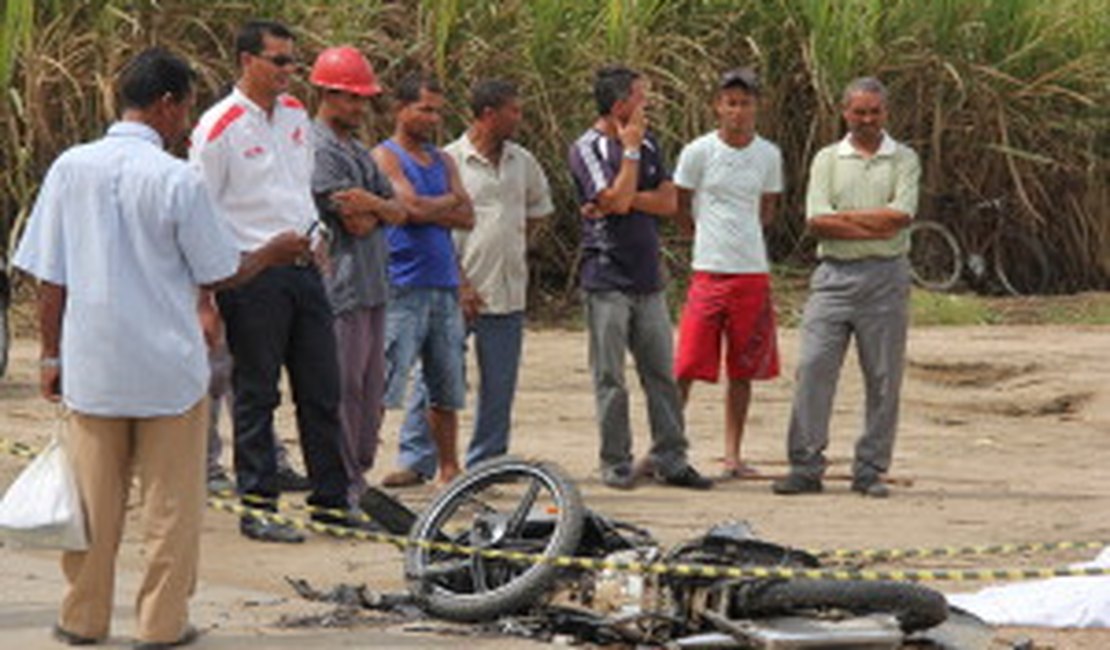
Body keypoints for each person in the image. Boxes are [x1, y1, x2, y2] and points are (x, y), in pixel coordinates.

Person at [13, 47, 309, 649]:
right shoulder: (177, 179)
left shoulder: (72, 167)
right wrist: (273, 254)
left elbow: (50, 274)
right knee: (171, 512)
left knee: (93, 507)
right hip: (167, 371)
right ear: (168, 104)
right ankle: (161, 624)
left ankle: (83, 617)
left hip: (93, 367)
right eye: (186, 108)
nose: (186, 122)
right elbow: (220, 269)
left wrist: (50, 355)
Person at [189, 20, 351, 542]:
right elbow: (200, 213)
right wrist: (208, 296)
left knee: (323, 389)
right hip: (254, 274)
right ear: (246, 61)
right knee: (258, 394)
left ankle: (332, 500)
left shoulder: (296, 115)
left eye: (292, 62)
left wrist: (317, 233)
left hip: (304, 268)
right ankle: (258, 505)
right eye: (278, 61)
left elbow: (297, 188)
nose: (288, 72)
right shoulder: (219, 127)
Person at [387, 79, 554, 485]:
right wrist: (461, 281)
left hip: (508, 288)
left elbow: (538, 211)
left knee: (499, 382)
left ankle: (487, 462)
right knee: (436, 377)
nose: (519, 118)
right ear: (487, 115)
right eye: (512, 110)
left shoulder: (523, 161)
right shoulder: (448, 161)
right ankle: (416, 459)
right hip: (452, 288)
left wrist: (513, 246)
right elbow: (437, 228)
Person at [772, 76, 921, 499]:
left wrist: (848, 221)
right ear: (845, 112)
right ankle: (805, 465)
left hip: (886, 278)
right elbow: (817, 220)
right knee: (814, 369)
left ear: (885, 113)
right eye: (860, 112)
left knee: (883, 377)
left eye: (875, 112)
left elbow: (901, 217)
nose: (868, 119)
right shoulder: (827, 159)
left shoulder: (904, 159)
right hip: (833, 278)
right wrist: (875, 223)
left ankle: (870, 469)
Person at [567, 64, 712, 491]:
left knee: (660, 374)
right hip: (606, 277)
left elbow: (666, 201)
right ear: (620, 105)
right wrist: (628, 157)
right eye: (641, 98)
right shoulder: (588, 148)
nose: (646, 106)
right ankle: (616, 460)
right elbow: (610, 197)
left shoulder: (650, 141)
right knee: (610, 376)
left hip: (648, 277)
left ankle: (671, 456)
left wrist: (625, 197)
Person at [672, 68, 783, 480]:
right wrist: (701, 238)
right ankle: (668, 447)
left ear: (757, 107)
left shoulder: (768, 155)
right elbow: (680, 203)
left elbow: (767, 209)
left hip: (751, 271)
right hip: (709, 270)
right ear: (718, 106)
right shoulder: (698, 152)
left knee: (743, 369)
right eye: (731, 103)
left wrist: (743, 239)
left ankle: (733, 454)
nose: (738, 111)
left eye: (745, 103)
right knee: (686, 365)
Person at [308, 46, 405, 504]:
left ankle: (358, 475)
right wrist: (375, 207)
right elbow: (353, 219)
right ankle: (343, 483)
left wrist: (374, 205)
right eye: (351, 98)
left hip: (372, 286)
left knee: (370, 391)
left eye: (363, 99)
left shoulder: (359, 152)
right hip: (341, 288)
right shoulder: (318, 148)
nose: (359, 107)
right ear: (326, 94)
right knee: (343, 389)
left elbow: (394, 211)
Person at [372, 73, 474, 486]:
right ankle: (358, 461)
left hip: (443, 283)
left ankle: (449, 468)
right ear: (401, 109)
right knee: (385, 380)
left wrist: (434, 207)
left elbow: (467, 215)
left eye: (437, 111)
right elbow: (408, 207)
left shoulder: (444, 160)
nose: (433, 118)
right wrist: (445, 203)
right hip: (403, 283)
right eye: (425, 109)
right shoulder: (386, 156)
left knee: (446, 384)